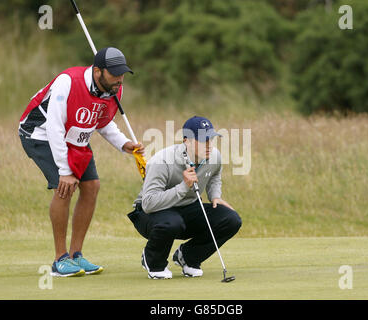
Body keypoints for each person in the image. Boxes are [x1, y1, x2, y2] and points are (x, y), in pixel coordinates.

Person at [19, 47, 144, 277]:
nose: (119, 79)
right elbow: (54, 127)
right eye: (114, 74)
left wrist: (124, 144)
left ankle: (76, 255)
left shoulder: (114, 90)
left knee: (92, 186)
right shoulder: (68, 82)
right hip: (40, 133)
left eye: (122, 73)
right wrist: (65, 171)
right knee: (64, 186)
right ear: (98, 71)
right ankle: (60, 260)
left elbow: (102, 122)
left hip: (74, 136)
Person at [128, 116, 242, 279]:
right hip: (151, 214)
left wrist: (215, 195)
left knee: (231, 219)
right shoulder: (162, 161)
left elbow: (215, 175)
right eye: (203, 140)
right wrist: (183, 187)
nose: (209, 145)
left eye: (211, 139)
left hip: (187, 209)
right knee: (172, 222)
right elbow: (148, 203)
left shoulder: (214, 156)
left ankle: (188, 257)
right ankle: (153, 261)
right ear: (187, 141)